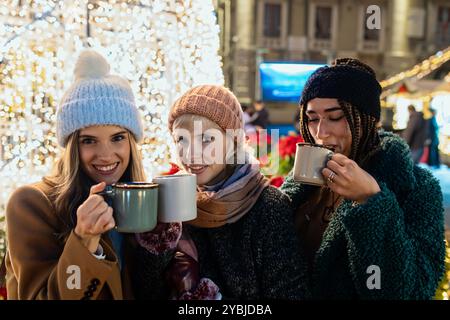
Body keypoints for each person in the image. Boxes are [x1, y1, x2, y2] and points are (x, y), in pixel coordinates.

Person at [4, 50, 165, 299]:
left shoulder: (137, 202)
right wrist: (84, 241)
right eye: (89, 140)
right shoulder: (32, 204)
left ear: (131, 143)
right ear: (71, 147)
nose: (106, 155)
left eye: (118, 138)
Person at [281, 58, 446, 299]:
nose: (320, 133)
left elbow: (410, 291)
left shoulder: (416, 188)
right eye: (312, 118)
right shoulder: (302, 181)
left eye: (335, 116)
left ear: (369, 120)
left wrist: (370, 202)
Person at [136, 85, 310, 300]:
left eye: (206, 139)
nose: (191, 153)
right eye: (181, 139)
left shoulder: (268, 206)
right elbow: (144, 290)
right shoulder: (175, 202)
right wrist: (157, 244)